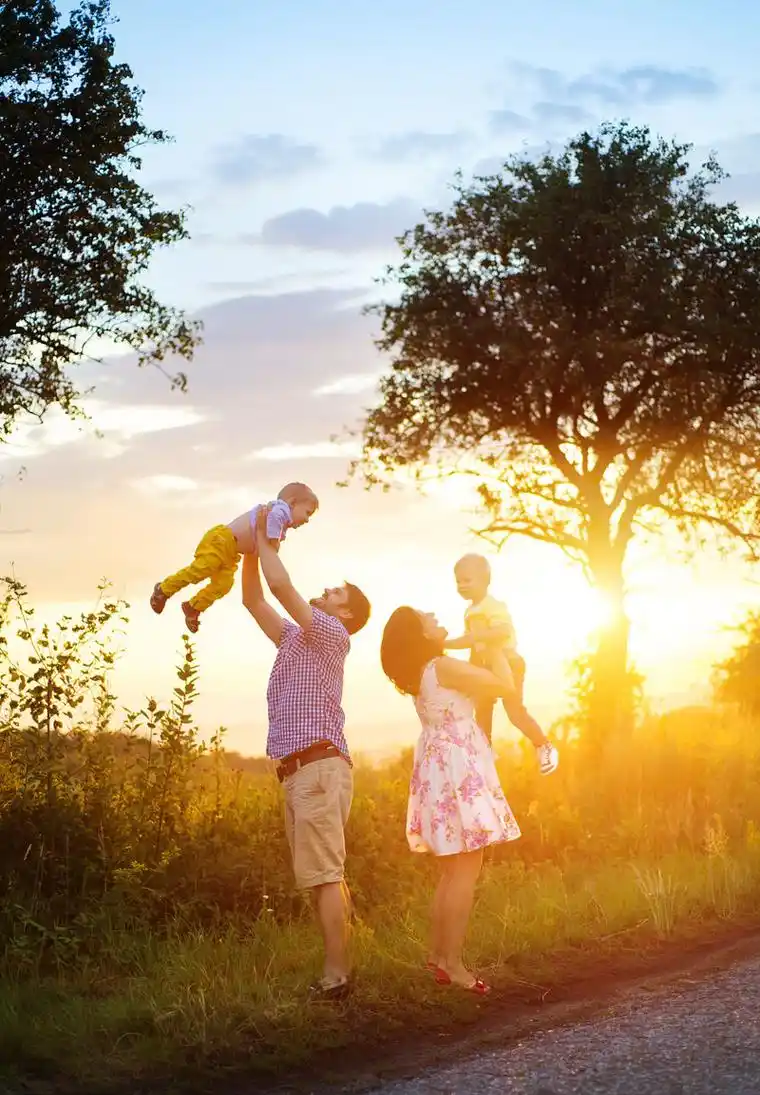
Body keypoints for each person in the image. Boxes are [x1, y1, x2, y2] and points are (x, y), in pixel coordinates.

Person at [242, 505, 371, 999]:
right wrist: (248, 548)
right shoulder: (296, 638)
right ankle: (340, 969)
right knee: (323, 876)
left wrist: (264, 532)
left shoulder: (332, 634)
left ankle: (337, 976)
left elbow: (279, 586)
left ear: (346, 614)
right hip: (302, 773)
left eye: (336, 593)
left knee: (325, 876)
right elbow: (255, 599)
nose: (326, 591)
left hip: (318, 767)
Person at [380, 604, 522, 996]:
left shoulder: (423, 673)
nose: (435, 617)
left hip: (438, 769)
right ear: (422, 635)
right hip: (459, 770)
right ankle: (455, 965)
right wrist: (495, 644)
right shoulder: (442, 666)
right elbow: (504, 685)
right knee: (466, 870)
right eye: (428, 618)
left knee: (451, 871)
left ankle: (438, 958)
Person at [149, 482, 318, 633]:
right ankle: (163, 589)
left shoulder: (281, 522)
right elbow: (272, 528)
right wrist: (274, 542)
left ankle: (193, 607)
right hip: (221, 541)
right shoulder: (280, 510)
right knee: (201, 570)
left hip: (231, 553)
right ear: (292, 502)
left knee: (224, 584)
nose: (307, 520)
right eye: (307, 513)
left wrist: (273, 544)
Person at [445, 554, 558, 775]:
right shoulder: (469, 611)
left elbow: (502, 631)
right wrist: (446, 646)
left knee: (514, 712)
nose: (462, 586)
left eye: (467, 580)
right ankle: (484, 752)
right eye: (458, 581)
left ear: (485, 580)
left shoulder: (493, 606)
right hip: (485, 666)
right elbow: (470, 643)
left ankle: (543, 745)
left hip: (509, 664)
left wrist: (475, 637)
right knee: (482, 709)